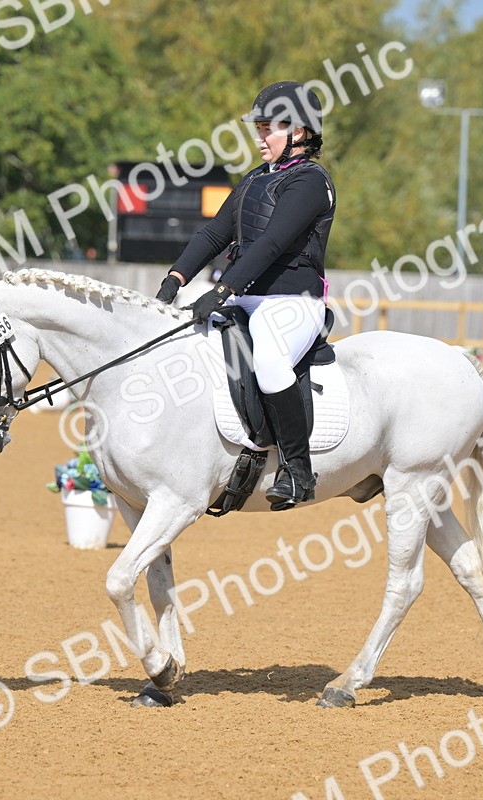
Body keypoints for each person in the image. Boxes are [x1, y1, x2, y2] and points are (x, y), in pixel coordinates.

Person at [155, 81, 336, 511]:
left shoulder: (311, 182)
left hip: (292, 303)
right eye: (258, 128)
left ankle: (298, 470)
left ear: (300, 132)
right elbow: (216, 232)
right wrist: (176, 278)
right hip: (243, 297)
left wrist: (223, 289)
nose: (259, 138)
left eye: (268, 129)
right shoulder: (256, 179)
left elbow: (271, 243)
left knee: (271, 365)